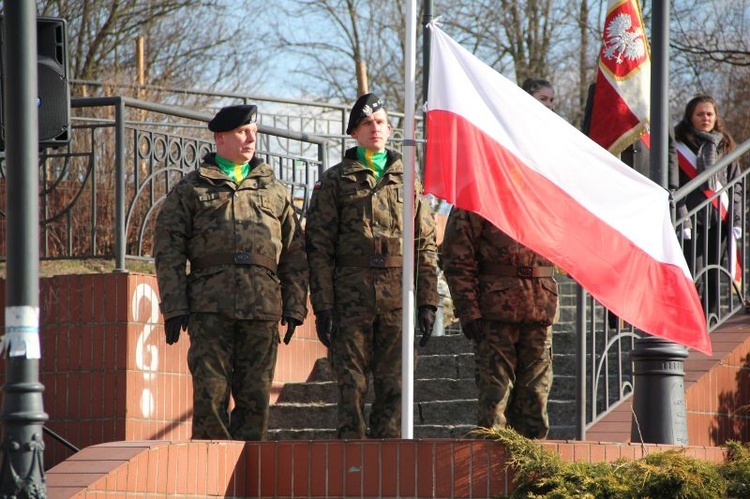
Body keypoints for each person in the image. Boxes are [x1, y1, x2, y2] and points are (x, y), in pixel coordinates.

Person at [154, 104, 309, 441]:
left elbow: (295, 252)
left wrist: (295, 305)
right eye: (242, 132)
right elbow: (168, 249)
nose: (251, 138)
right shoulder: (191, 189)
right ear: (220, 137)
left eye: (254, 132)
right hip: (210, 308)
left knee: (256, 400)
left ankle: (248, 482)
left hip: (262, 308)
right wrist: (175, 306)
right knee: (210, 397)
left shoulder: (274, 190)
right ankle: (210, 479)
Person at [305, 93, 439, 439]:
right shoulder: (334, 182)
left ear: (391, 129)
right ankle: (352, 462)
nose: (374, 128)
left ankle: (389, 462)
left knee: (395, 384)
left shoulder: (408, 180)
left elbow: (424, 243)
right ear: (354, 133)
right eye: (366, 123)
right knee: (351, 383)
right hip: (351, 296)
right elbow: (318, 248)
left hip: (397, 295)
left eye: (379, 122)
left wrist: (427, 301)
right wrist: (323, 305)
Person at [441, 208, 559, 439]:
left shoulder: (544, 193)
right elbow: (457, 258)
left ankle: (532, 471)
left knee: (536, 401)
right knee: (495, 400)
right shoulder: (477, 196)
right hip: (494, 314)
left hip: (539, 310)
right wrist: (468, 309)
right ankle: (490, 469)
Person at [674, 94, 742, 319]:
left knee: (715, 273)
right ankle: (692, 321)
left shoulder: (725, 144)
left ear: (716, 117)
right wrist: (683, 217)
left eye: (709, 114)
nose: (705, 118)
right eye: (700, 114)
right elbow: (674, 185)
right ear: (690, 117)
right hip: (691, 220)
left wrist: (736, 218)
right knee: (694, 274)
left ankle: (711, 318)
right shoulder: (678, 145)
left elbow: (736, 185)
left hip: (719, 218)